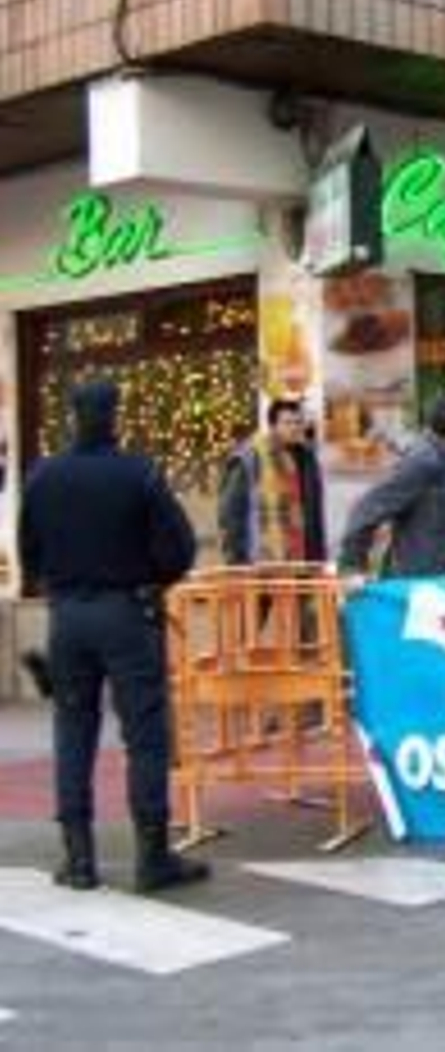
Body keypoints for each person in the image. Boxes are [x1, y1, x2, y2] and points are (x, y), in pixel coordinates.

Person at [20, 380, 209, 892]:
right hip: (128, 611)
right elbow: (181, 548)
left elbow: (29, 553)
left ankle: (78, 858)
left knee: (72, 730)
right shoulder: (139, 473)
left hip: (68, 616)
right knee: (145, 734)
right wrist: (152, 580)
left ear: (71, 415)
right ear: (114, 416)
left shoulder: (43, 477)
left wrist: (60, 584)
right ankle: (153, 856)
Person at [338, 393, 445, 577]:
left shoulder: (443, 455)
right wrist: (353, 567)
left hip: (438, 576)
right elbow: (365, 509)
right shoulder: (424, 462)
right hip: (418, 582)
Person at [219, 397, 328, 564]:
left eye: (298, 422)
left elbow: (314, 513)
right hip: (261, 559)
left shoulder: (307, 459)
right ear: (273, 425)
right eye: (287, 422)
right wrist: (236, 560)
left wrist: (318, 556)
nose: (294, 428)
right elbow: (231, 513)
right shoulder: (249, 457)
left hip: (303, 559)